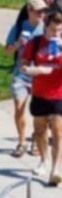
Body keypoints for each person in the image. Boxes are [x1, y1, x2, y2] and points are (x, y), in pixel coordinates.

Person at [22, 11, 62, 185]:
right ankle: (44, 160)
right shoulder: (36, 42)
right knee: (40, 130)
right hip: (39, 93)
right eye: (53, 30)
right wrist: (34, 70)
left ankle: (56, 168)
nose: (56, 34)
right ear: (46, 27)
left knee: (58, 131)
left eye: (60, 30)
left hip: (58, 93)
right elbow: (23, 65)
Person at [6, 0, 47, 158]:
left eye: (44, 12)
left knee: (39, 113)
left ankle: (35, 141)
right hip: (21, 75)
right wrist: (18, 43)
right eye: (38, 11)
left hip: (40, 76)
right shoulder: (17, 28)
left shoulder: (46, 29)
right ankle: (22, 142)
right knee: (19, 108)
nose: (42, 15)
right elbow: (7, 51)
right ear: (29, 10)